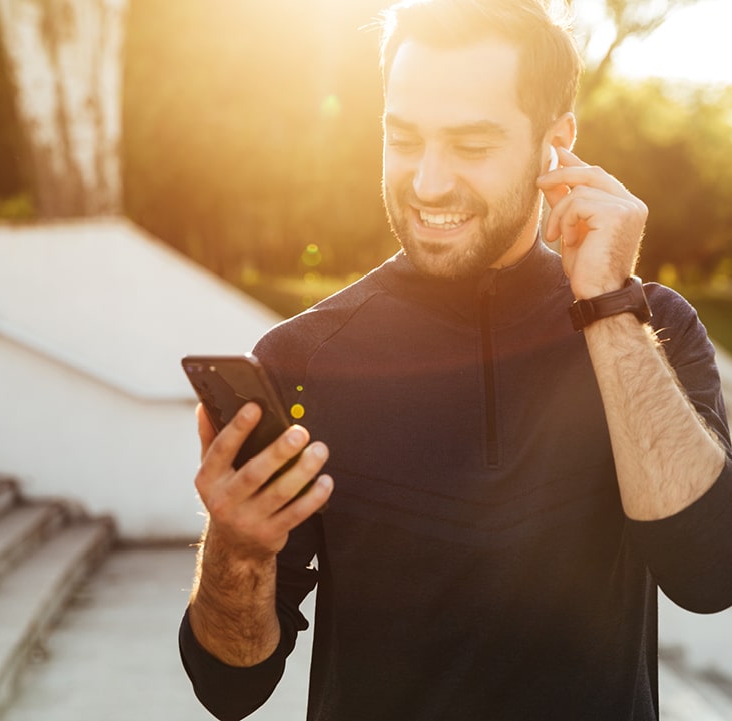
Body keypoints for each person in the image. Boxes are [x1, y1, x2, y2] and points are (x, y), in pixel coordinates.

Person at [178, 0, 732, 719]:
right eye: (403, 138)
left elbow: (708, 571)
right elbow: (229, 687)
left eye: (470, 145)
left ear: (553, 143)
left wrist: (604, 306)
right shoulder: (302, 359)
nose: (428, 183)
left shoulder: (648, 329)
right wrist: (238, 549)